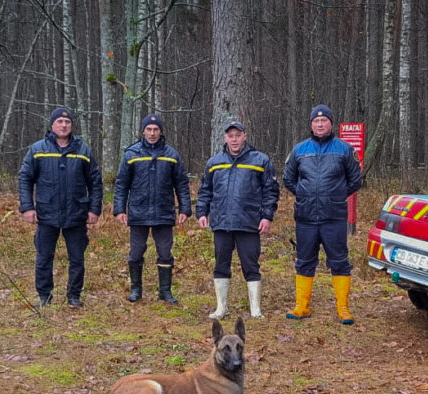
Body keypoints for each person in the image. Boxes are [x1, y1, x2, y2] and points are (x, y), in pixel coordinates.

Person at [283, 104, 362, 325]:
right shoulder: (300, 150)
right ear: (311, 124)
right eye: (316, 121)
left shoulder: (344, 150)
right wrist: (304, 194)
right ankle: (301, 306)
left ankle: (343, 308)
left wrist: (336, 195)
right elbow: (288, 178)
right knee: (304, 260)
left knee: (339, 261)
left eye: (324, 120)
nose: (320, 124)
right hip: (306, 217)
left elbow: (355, 180)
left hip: (334, 217)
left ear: (331, 123)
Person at [18, 107, 103, 307]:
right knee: (44, 257)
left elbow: (95, 182)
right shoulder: (38, 150)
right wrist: (27, 207)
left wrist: (94, 209)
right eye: (60, 122)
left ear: (71, 126)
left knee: (77, 258)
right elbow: (25, 178)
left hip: (76, 214)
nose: (64, 126)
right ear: (52, 125)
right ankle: (44, 296)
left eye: (67, 123)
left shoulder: (83, 150)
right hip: (47, 213)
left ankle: (74, 296)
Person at [196, 119, 279, 319]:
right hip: (221, 222)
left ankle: (255, 309)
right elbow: (205, 190)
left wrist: (267, 216)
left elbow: (271, 191)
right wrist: (201, 212)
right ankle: (221, 308)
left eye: (238, 135)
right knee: (221, 263)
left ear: (244, 136)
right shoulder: (214, 162)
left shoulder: (260, 160)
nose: (234, 139)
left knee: (251, 264)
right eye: (230, 136)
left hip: (249, 223)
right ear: (225, 137)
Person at [113, 114, 192, 304]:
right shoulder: (132, 154)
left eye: (156, 129)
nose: (152, 133)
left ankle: (165, 291)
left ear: (161, 131)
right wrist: (119, 209)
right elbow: (122, 184)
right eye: (149, 129)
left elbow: (181, 183)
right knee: (136, 252)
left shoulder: (171, 155)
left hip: (164, 211)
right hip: (138, 211)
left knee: (165, 252)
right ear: (143, 131)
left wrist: (185, 209)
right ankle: (136, 290)